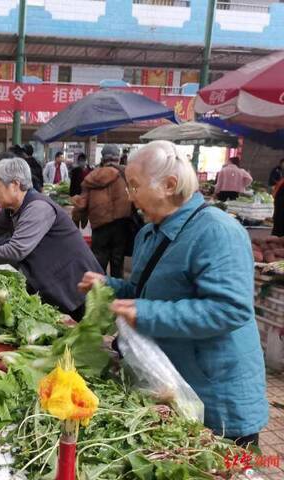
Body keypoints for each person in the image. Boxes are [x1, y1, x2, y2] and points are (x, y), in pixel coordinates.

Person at [79, 141, 268, 447]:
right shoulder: (148, 233)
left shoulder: (217, 232)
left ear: (168, 185)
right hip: (175, 386)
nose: (131, 196)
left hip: (216, 396)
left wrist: (146, 314)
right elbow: (143, 291)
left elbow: (230, 309)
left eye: (135, 186)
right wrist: (107, 287)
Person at [0, 157, 103, 320]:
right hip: (57, 283)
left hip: (76, 284)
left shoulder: (37, 208)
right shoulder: (12, 209)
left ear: (15, 184)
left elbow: (16, 250)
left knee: (84, 333)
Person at [72, 145, 132, 278]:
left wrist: (76, 221)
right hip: (122, 223)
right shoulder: (126, 174)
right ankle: (117, 294)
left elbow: (81, 204)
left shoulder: (92, 177)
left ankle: (98, 292)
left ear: (102, 158)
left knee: (98, 261)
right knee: (117, 260)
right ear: (118, 157)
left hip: (100, 226)